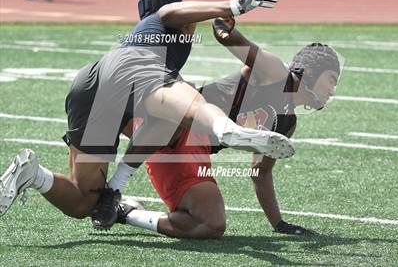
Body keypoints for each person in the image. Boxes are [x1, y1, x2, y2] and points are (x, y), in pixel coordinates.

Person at [0, 0, 293, 230]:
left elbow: (158, 123)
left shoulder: (146, 38)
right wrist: (233, 5)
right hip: (130, 70)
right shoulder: (163, 22)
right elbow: (168, 13)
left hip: (92, 83)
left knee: (83, 201)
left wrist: (115, 185)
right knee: (187, 103)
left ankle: (35, 175)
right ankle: (226, 129)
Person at [98, 17, 341, 239]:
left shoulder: (288, 123)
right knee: (211, 224)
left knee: (211, 225)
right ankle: (116, 178)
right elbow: (231, 39)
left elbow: (261, 172)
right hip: (174, 129)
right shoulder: (275, 72)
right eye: (331, 80)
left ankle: (127, 213)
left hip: (195, 150)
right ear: (310, 71)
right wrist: (222, 24)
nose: (332, 90)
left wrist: (278, 223)